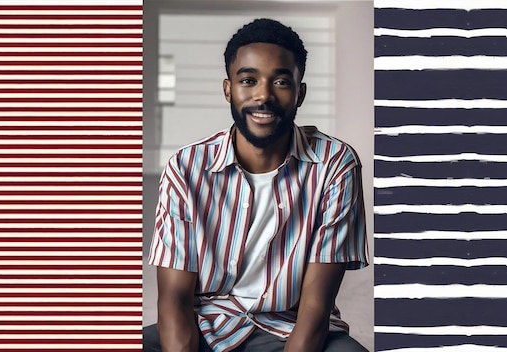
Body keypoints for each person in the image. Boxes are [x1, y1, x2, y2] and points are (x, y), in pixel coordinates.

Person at [144, 18, 369, 352]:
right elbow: (174, 300)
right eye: (248, 80)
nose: (263, 95)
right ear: (228, 89)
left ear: (300, 93)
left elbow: (315, 308)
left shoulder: (335, 164)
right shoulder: (187, 167)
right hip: (206, 323)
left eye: (280, 81)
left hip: (290, 327)